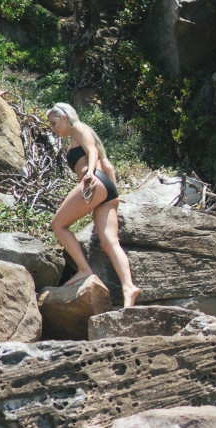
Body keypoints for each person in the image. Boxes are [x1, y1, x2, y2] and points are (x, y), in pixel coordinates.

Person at [46, 102, 139, 307]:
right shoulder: (76, 135)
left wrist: (89, 174)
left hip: (94, 182)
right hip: (105, 189)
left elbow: (92, 152)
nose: (53, 129)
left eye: (53, 123)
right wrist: (113, 196)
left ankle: (84, 269)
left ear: (64, 117)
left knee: (58, 225)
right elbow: (108, 166)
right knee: (109, 243)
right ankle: (129, 288)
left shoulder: (78, 128)